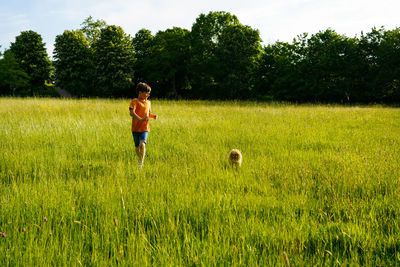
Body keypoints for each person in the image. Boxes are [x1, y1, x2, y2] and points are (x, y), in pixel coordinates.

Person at [129, 82, 157, 168]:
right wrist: (140, 119)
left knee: (142, 144)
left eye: (149, 92)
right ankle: (140, 159)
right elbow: (131, 113)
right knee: (137, 147)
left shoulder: (148, 102)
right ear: (140, 93)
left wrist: (153, 116)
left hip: (145, 127)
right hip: (135, 128)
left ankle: (141, 164)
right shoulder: (134, 101)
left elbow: (148, 113)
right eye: (147, 92)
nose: (149, 94)